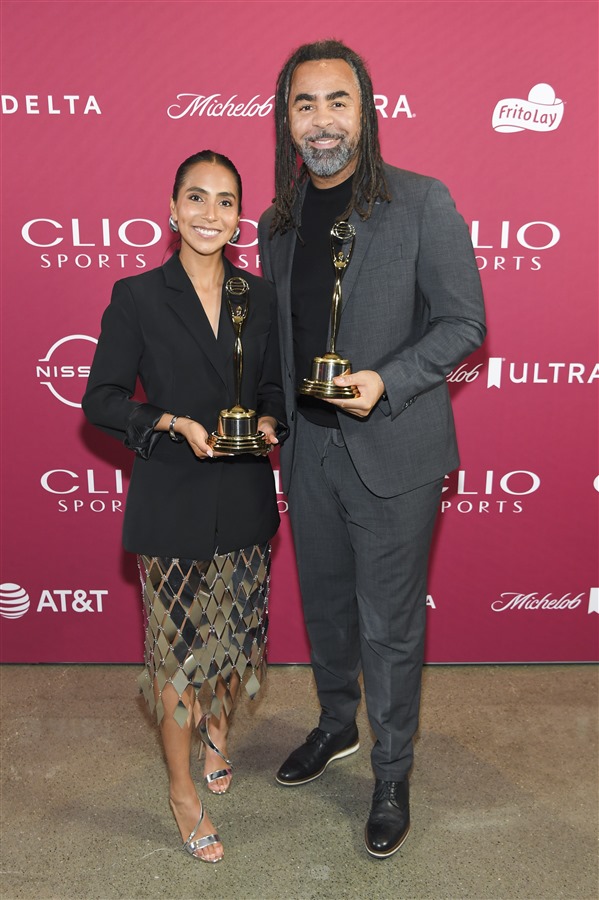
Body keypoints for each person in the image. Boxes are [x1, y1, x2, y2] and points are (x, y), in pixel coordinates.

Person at [258, 40, 486, 858]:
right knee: (324, 608)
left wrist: (386, 380)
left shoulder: (421, 201)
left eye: (337, 101)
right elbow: (280, 337)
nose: (321, 120)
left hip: (393, 453)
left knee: (388, 626)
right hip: (308, 452)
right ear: (286, 120)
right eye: (304, 104)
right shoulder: (276, 222)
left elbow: (463, 322)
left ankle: (391, 773)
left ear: (366, 112)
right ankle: (335, 725)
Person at [83, 150, 287, 863]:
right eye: (196, 198)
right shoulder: (138, 296)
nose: (210, 213)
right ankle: (181, 793)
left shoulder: (259, 297)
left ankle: (216, 733)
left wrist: (269, 421)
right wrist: (170, 422)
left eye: (225, 201)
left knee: (231, 641)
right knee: (176, 662)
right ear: (172, 211)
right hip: (171, 503)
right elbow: (101, 399)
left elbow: (272, 387)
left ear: (240, 217)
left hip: (245, 500)